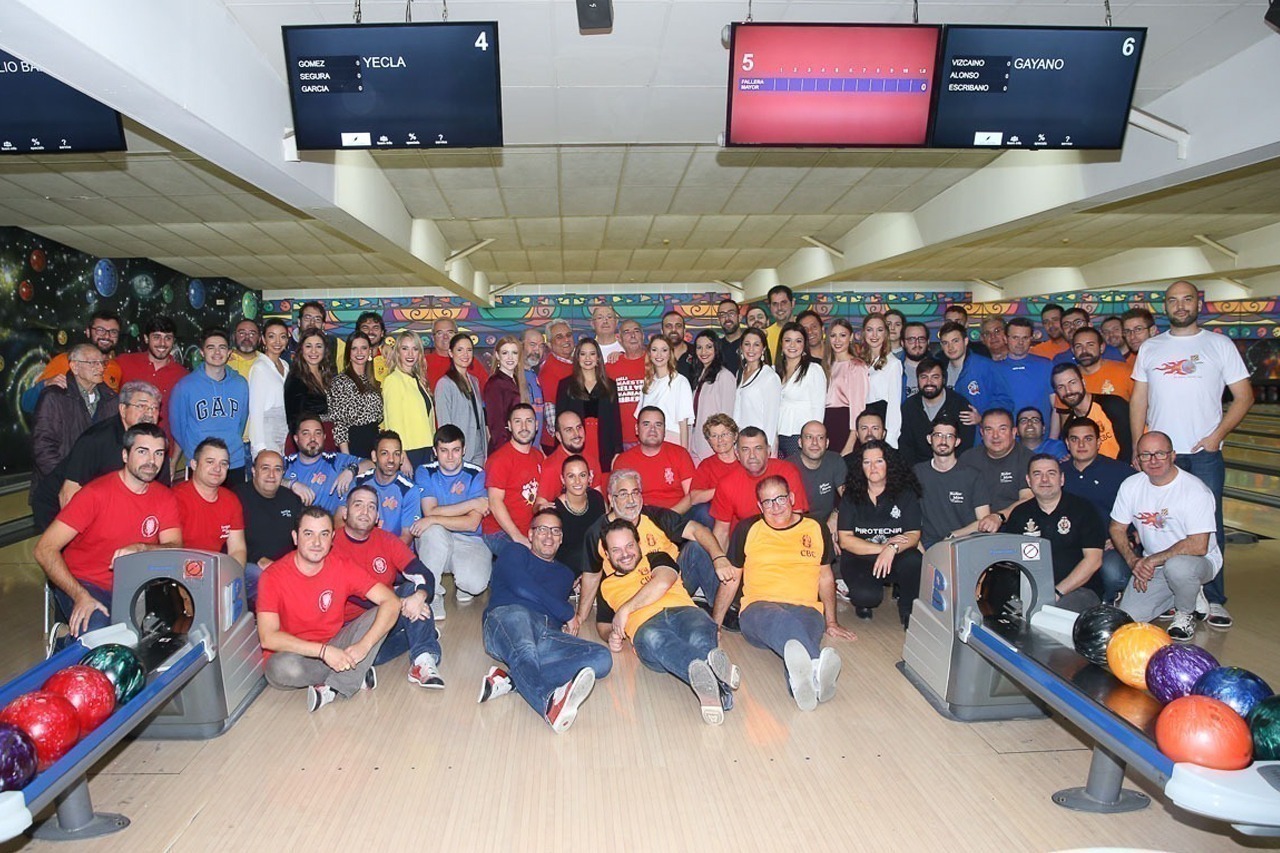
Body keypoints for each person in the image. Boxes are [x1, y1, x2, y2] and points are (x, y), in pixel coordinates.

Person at [1129, 280, 1251, 630]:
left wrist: (1216, 437)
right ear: (1164, 307)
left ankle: (1214, 598)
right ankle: (1179, 591)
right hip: (1159, 456)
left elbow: (1243, 396)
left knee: (1209, 528)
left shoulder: (1219, 344)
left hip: (1203, 454)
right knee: (1159, 522)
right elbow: (1139, 400)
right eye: (1172, 300)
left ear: (1199, 303)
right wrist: (1139, 444)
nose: (1180, 306)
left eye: (1186, 300)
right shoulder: (1151, 347)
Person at [34, 424, 182, 636]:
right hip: (86, 583)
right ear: (125, 455)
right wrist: (80, 595)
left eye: (158, 453)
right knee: (99, 633)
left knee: (174, 630)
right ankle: (64, 648)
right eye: (142, 451)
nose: (151, 461)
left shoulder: (165, 497)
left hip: (137, 586)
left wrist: (141, 548)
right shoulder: (94, 495)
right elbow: (44, 549)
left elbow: (175, 547)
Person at [480, 509, 614, 731]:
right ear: (530, 535)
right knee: (524, 644)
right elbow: (522, 587)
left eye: (555, 531)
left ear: (561, 539)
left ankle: (511, 680)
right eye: (542, 529)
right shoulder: (514, 551)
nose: (549, 536)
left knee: (601, 658)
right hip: (506, 618)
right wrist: (568, 613)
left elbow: (549, 610)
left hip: (544, 631)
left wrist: (561, 622)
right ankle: (550, 703)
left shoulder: (564, 574)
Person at [597, 518, 740, 725]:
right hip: (646, 628)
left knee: (700, 632)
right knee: (656, 639)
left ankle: (713, 692)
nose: (625, 554)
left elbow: (663, 581)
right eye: (616, 550)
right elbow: (603, 625)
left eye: (629, 545)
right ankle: (716, 676)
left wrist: (625, 609)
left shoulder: (657, 557)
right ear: (607, 554)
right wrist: (611, 635)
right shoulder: (606, 586)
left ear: (638, 543)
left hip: (683, 611)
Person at [729, 475, 854, 711]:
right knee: (781, 619)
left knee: (799, 629)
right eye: (767, 502)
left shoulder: (815, 528)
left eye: (780, 499)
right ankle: (817, 666)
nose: (775, 507)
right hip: (758, 609)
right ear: (759, 506)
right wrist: (715, 623)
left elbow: (825, 576)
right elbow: (732, 578)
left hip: (807, 608)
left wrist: (831, 621)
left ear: (792, 498)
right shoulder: (748, 529)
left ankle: (803, 686)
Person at [257, 508, 399, 712]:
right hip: (296, 653)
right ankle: (355, 673)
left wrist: (364, 647)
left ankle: (334, 687)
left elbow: (391, 601)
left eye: (324, 534)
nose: (316, 542)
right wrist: (324, 652)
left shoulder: (342, 565)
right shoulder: (273, 576)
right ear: (295, 538)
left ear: (332, 538)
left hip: (336, 643)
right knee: (279, 669)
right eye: (308, 534)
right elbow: (268, 638)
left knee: (383, 611)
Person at [579, 469, 736, 637]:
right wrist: (580, 617)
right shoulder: (596, 532)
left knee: (697, 548)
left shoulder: (655, 515)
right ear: (611, 499)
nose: (631, 500)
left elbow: (697, 529)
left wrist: (719, 556)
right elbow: (592, 575)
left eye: (635, 492)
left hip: (673, 582)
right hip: (632, 594)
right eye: (623, 494)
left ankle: (721, 611)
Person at [1110, 432, 1222, 642]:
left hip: (1199, 562)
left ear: (1173, 456)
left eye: (1160, 454)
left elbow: (1199, 546)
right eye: (1146, 455)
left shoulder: (1195, 491)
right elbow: (1116, 528)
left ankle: (1185, 612)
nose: (1153, 461)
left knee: (1178, 567)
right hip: (1156, 564)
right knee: (1128, 619)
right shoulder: (1131, 486)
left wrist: (1151, 560)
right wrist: (1133, 561)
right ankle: (1186, 591)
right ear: (1138, 459)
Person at [332, 485, 442, 688]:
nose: (365, 512)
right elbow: (349, 594)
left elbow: (424, 574)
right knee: (364, 655)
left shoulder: (387, 540)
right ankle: (423, 634)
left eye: (371, 507)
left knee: (413, 591)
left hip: (388, 613)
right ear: (345, 513)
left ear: (377, 517)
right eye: (358, 505)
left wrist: (419, 597)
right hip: (350, 627)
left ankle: (423, 660)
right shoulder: (330, 544)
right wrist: (396, 603)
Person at [30, 381, 164, 533]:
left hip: (103, 506)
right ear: (122, 409)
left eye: (154, 408)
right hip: (57, 507)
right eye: (141, 406)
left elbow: (159, 492)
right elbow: (68, 495)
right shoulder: (96, 440)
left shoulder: (157, 442)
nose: (149, 413)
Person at [1005, 455, 1105, 613]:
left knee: (1048, 618)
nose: (1044, 479)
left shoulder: (1084, 509)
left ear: (1062, 479)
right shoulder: (1019, 514)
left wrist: (1057, 592)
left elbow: (1094, 560)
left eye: (1051, 473)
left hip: (1078, 590)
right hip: (1030, 590)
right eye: (1037, 474)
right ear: (1029, 481)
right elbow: (1009, 561)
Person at [838, 440, 923, 626]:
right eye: (867, 462)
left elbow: (914, 534)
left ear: (889, 464)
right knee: (867, 597)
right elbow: (845, 540)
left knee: (914, 560)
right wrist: (882, 548)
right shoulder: (851, 495)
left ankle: (908, 608)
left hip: (895, 555)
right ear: (860, 466)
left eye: (879, 461)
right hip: (860, 557)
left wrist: (892, 548)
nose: (873, 467)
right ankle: (864, 600)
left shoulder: (905, 493)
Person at [412, 425, 491, 621]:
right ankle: (433, 593)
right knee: (431, 531)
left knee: (475, 585)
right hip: (437, 538)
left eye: (456, 450)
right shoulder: (424, 472)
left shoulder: (476, 474)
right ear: (435, 452)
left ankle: (462, 581)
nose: (450, 457)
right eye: (444, 451)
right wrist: (472, 503)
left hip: (470, 540)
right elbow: (430, 511)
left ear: (464, 450)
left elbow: (472, 523)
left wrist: (432, 517)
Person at [31, 343, 119, 509]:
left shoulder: (112, 399)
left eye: (102, 363)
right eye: (92, 363)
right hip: (56, 490)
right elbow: (43, 447)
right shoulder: (54, 397)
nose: (100, 368)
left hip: (98, 491)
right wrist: (68, 481)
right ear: (75, 366)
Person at [169, 328, 250, 482]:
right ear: (201, 352)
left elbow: (241, 421)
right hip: (200, 463)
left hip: (233, 460)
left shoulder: (240, 384)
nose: (217, 352)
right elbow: (178, 428)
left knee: (233, 505)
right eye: (210, 347)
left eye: (222, 347)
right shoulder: (185, 386)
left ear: (229, 353)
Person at [710, 426, 809, 548]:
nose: (752, 455)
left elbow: (797, 519)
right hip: (746, 546)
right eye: (745, 449)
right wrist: (721, 562)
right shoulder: (726, 483)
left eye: (758, 448)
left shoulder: (788, 472)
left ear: (768, 451)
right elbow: (721, 532)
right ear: (737, 454)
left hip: (784, 542)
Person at [234, 450, 302, 607]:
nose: (272, 474)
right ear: (253, 471)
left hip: (286, 566)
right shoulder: (237, 497)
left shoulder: (292, 500)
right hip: (251, 565)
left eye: (277, 469)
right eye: (265, 468)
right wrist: (257, 558)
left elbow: (302, 537)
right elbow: (228, 543)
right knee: (265, 578)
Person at [913, 419, 992, 549]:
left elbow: (984, 521)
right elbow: (908, 519)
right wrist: (922, 554)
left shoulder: (973, 475)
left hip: (965, 542)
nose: (943, 441)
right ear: (929, 439)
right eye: (938, 435)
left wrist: (954, 535)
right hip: (929, 545)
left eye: (949, 436)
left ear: (957, 442)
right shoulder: (917, 473)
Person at [172, 437, 247, 564]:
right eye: (210, 462)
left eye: (223, 463)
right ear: (194, 464)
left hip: (216, 569)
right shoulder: (174, 499)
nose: (217, 468)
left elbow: (237, 550)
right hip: (180, 570)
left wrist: (230, 576)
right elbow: (170, 552)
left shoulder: (231, 500)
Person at [482, 403, 545, 553]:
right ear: (509, 426)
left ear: (536, 425)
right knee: (521, 557)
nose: (524, 426)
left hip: (529, 530)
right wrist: (517, 537)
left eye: (529, 421)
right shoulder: (500, 459)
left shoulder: (538, 456)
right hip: (499, 532)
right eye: (518, 421)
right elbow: (494, 502)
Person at [961, 409, 1034, 533]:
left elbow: (1027, 499)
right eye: (989, 430)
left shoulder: (1027, 459)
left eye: (1002, 429)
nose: (995, 436)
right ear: (982, 433)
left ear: (1014, 432)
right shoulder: (968, 459)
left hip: (1014, 527)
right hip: (973, 529)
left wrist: (999, 517)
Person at [558, 337, 623, 473]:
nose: (587, 358)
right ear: (577, 358)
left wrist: (618, 450)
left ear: (598, 358)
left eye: (592, 354)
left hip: (603, 442)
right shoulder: (565, 385)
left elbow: (615, 421)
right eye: (583, 354)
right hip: (577, 441)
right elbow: (559, 421)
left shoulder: (610, 385)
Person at [282, 415, 371, 514]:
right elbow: (264, 478)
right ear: (296, 438)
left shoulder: (335, 460)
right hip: (295, 526)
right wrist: (291, 484)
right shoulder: (286, 463)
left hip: (330, 526)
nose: (313, 438)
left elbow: (372, 464)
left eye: (318, 433)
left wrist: (352, 470)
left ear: (324, 437)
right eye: (306, 433)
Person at [115, 314, 186, 437]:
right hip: (124, 443)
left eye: (168, 338)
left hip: (163, 447)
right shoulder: (123, 363)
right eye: (156, 337)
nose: (162, 343)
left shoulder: (183, 376)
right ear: (146, 338)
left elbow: (183, 420)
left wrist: (174, 456)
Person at [614, 407, 696, 513]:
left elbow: (691, 495)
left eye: (658, 425)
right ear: (637, 429)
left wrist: (669, 517)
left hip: (677, 515)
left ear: (664, 430)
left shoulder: (680, 454)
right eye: (646, 424)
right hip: (641, 518)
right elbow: (621, 501)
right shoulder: (623, 461)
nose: (652, 429)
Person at [938, 321, 1012, 433]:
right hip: (950, 436)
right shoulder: (939, 370)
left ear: (966, 341)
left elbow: (1005, 400)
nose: (950, 347)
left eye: (955, 341)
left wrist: (983, 417)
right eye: (945, 343)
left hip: (980, 436)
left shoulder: (985, 366)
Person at [899, 357, 974, 468]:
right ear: (917, 380)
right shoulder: (908, 407)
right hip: (919, 472)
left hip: (954, 470)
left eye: (935, 377)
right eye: (924, 377)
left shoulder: (960, 405)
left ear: (943, 379)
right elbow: (906, 448)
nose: (929, 382)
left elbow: (966, 446)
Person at [1050, 363, 1132, 461]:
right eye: (1061, 387)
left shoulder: (1111, 405)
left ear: (1083, 382)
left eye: (1072, 383)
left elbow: (1131, 445)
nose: (1068, 391)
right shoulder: (1070, 425)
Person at [351, 431, 422, 543]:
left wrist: (380, 555)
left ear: (402, 458)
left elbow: (406, 537)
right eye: (385, 453)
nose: (391, 460)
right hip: (360, 548)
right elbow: (340, 520)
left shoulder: (410, 490)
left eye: (396, 454)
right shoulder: (358, 483)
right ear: (374, 456)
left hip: (394, 552)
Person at [381, 330, 437, 470]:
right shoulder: (393, 380)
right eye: (405, 349)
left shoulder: (418, 379)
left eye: (415, 349)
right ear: (398, 352)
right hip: (409, 452)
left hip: (426, 448)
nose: (410, 354)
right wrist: (402, 456)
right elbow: (393, 423)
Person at [34, 309, 123, 396]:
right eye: (100, 330)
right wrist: (44, 385)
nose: (107, 336)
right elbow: (27, 403)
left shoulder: (115, 369)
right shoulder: (66, 361)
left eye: (113, 332)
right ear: (88, 332)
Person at [434, 332, 488, 467]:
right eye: (460, 350)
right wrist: (450, 452)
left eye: (469, 350)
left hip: (479, 447)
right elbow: (444, 423)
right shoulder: (444, 384)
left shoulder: (474, 381)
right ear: (451, 353)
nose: (465, 354)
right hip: (458, 450)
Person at [327, 331, 383, 460]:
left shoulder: (372, 381)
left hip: (374, 444)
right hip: (354, 445)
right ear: (348, 353)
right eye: (354, 348)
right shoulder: (340, 382)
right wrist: (346, 458)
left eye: (363, 348)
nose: (359, 353)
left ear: (369, 351)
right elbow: (339, 425)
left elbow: (378, 417)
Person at [776, 322, 827, 459]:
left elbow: (818, 407)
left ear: (804, 345)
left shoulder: (813, 370)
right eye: (788, 340)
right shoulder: (775, 371)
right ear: (781, 344)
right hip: (777, 434)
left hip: (801, 435)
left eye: (798, 341)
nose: (792, 345)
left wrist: (814, 439)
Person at [553, 455, 607, 574]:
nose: (577, 481)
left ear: (589, 477)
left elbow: (606, 533)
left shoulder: (596, 499)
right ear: (563, 479)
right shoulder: (555, 510)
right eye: (571, 476)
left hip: (597, 565)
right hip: (566, 569)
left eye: (582, 475)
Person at [791, 421, 845, 541]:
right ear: (800, 442)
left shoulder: (835, 460)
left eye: (820, 438)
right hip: (798, 529)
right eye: (809, 437)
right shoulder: (788, 467)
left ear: (826, 443)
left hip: (828, 526)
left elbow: (849, 496)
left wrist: (836, 514)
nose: (815, 443)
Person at [247, 317, 292, 462]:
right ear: (263, 340)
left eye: (282, 336)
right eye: (272, 336)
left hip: (284, 430)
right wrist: (260, 448)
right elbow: (255, 411)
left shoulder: (285, 365)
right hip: (267, 433)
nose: (277, 342)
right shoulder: (259, 367)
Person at [638, 334, 694, 448]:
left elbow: (684, 423)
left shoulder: (680, 381)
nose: (659, 355)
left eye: (664, 350)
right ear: (649, 353)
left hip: (673, 440)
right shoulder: (648, 381)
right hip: (649, 440)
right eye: (654, 350)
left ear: (670, 354)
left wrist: (684, 454)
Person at [823, 318, 869, 456]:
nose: (837, 340)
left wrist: (851, 441)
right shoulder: (826, 365)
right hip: (826, 423)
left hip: (844, 424)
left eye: (842, 335)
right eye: (833, 335)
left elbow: (858, 407)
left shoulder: (856, 366)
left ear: (851, 337)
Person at [996, 317, 1054, 426]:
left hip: (1042, 438)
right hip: (1007, 438)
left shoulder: (1045, 365)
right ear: (1005, 339)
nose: (1020, 342)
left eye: (1025, 338)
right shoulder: (993, 369)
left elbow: (1056, 407)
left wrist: (1053, 438)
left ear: (1031, 339)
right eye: (1015, 337)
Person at [690, 331, 736, 463]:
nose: (703, 351)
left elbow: (728, 416)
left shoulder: (724, 376)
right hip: (696, 439)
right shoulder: (699, 375)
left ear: (717, 348)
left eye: (709, 347)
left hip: (715, 443)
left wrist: (720, 440)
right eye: (699, 347)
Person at [733, 328, 781, 454]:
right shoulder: (740, 372)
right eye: (747, 344)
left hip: (760, 444)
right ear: (741, 347)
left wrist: (766, 447)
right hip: (743, 441)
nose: (751, 349)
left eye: (756, 345)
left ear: (763, 349)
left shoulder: (769, 376)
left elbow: (772, 418)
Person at [537, 409, 599, 504]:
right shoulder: (552, 467)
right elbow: (540, 505)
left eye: (579, 427)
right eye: (569, 430)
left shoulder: (591, 459)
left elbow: (599, 497)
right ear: (559, 436)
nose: (576, 434)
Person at [689, 414, 741, 528]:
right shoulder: (707, 465)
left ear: (735, 436)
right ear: (709, 441)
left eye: (724, 434)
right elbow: (694, 498)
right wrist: (723, 489)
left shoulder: (745, 462)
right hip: (715, 520)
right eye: (714, 436)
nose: (720, 440)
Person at [862, 313, 904, 448]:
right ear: (863, 333)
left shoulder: (893, 364)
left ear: (886, 333)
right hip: (862, 424)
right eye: (869, 330)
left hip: (881, 422)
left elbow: (894, 406)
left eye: (879, 330)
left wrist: (891, 440)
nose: (874, 335)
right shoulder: (860, 362)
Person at [286, 328, 336, 438]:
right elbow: (293, 420)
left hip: (331, 437)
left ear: (325, 350)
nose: (314, 351)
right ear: (301, 349)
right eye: (308, 346)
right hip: (309, 440)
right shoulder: (296, 379)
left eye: (318, 346)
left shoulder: (328, 375)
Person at [483, 335, 530, 454]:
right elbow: (495, 424)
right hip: (503, 447)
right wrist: (505, 452)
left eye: (514, 353)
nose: (510, 357)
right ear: (498, 356)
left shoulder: (517, 379)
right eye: (505, 353)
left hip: (519, 444)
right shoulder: (495, 384)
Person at [606, 319, 647, 447]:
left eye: (636, 331)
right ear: (619, 339)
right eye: (627, 332)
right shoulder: (610, 367)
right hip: (620, 439)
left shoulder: (656, 362)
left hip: (650, 438)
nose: (633, 335)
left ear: (643, 336)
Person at [538, 320, 575, 451]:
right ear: (549, 344)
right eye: (559, 337)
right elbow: (551, 410)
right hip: (560, 443)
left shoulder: (575, 362)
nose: (566, 339)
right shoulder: (549, 370)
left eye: (569, 335)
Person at [427, 316, 489, 391]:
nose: (445, 337)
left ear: (457, 335)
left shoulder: (468, 361)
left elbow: (487, 390)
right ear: (432, 337)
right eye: (440, 333)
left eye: (450, 332)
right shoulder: (424, 363)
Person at [1071, 327, 1134, 400]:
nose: (1084, 350)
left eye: (1090, 345)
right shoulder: (1068, 378)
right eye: (1078, 346)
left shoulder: (1125, 372)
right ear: (1073, 350)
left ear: (1101, 348)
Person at [292, 301, 345, 373]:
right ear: (299, 322)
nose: (312, 323)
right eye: (307, 318)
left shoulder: (335, 344)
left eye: (317, 319)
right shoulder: (286, 345)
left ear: (323, 325)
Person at [521, 328, 548, 441]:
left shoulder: (534, 375)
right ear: (520, 346)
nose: (537, 350)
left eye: (541, 346)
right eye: (532, 344)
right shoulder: (511, 377)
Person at [661, 311, 698, 383]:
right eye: (669, 326)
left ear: (684, 331)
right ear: (662, 331)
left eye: (678, 326)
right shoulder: (655, 356)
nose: (673, 330)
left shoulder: (696, 352)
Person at [356, 311, 392, 382]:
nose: (370, 332)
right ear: (358, 332)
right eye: (365, 328)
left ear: (382, 333)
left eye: (375, 328)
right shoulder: (351, 356)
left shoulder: (389, 356)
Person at [898, 321, 930, 399]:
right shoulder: (895, 369)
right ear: (902, 343)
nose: (917, 344)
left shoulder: (942, 366)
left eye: (921, 339)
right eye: (911, 339)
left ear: (928, 342)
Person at [764, 284, 796, 359]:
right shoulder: (765, 335)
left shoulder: (805, 330)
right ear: (769, 307)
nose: (779, 308)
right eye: (775, 304)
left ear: (793, 303)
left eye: (783, 303)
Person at [717, 298, 745, 375]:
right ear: (718, 320)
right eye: (722, 315)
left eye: (731, 313)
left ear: (739, 317)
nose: (727, 318)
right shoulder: (715, 347)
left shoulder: (749, 345)